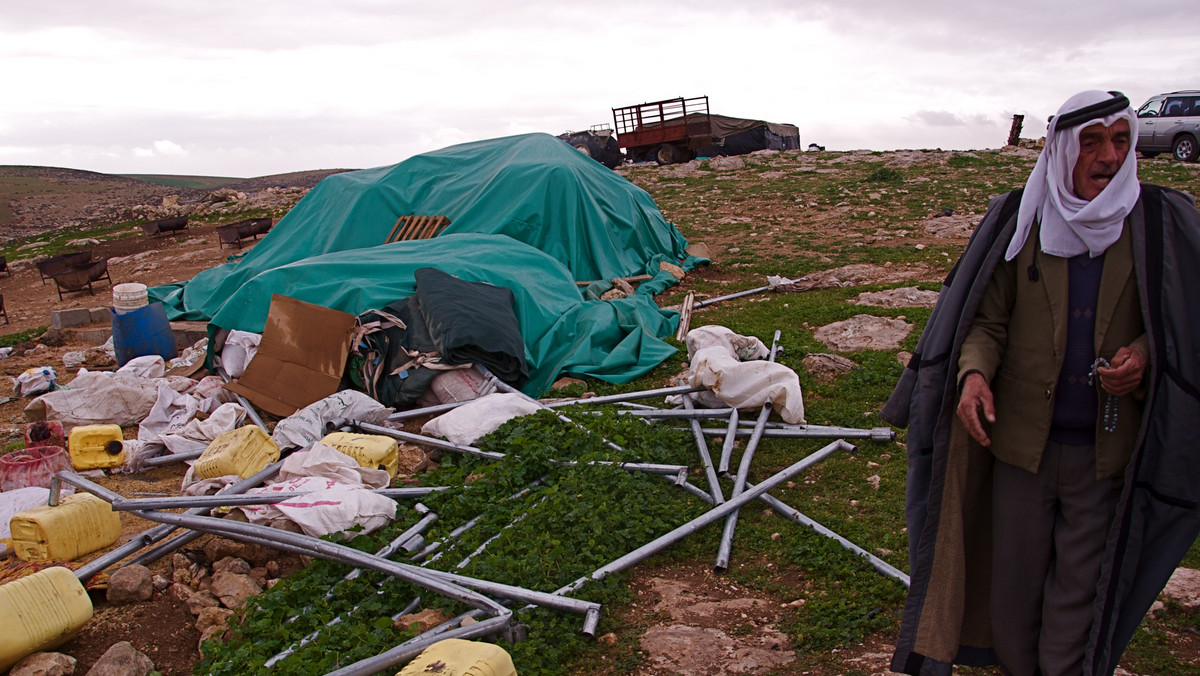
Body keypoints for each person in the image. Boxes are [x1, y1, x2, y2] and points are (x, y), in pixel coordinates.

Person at [881, 90, 1200, 676]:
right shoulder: (1021, 220)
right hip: (1021, 451)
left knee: (1076, 612)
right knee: (1010, 607)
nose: (1110, 156)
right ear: (1060, 149)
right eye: (1093, 141)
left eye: (1122, 140)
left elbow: (1183, 321)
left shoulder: (1157, 223)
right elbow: (986, 319)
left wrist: (1144, 353)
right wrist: (974, 373)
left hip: (1103, 458)